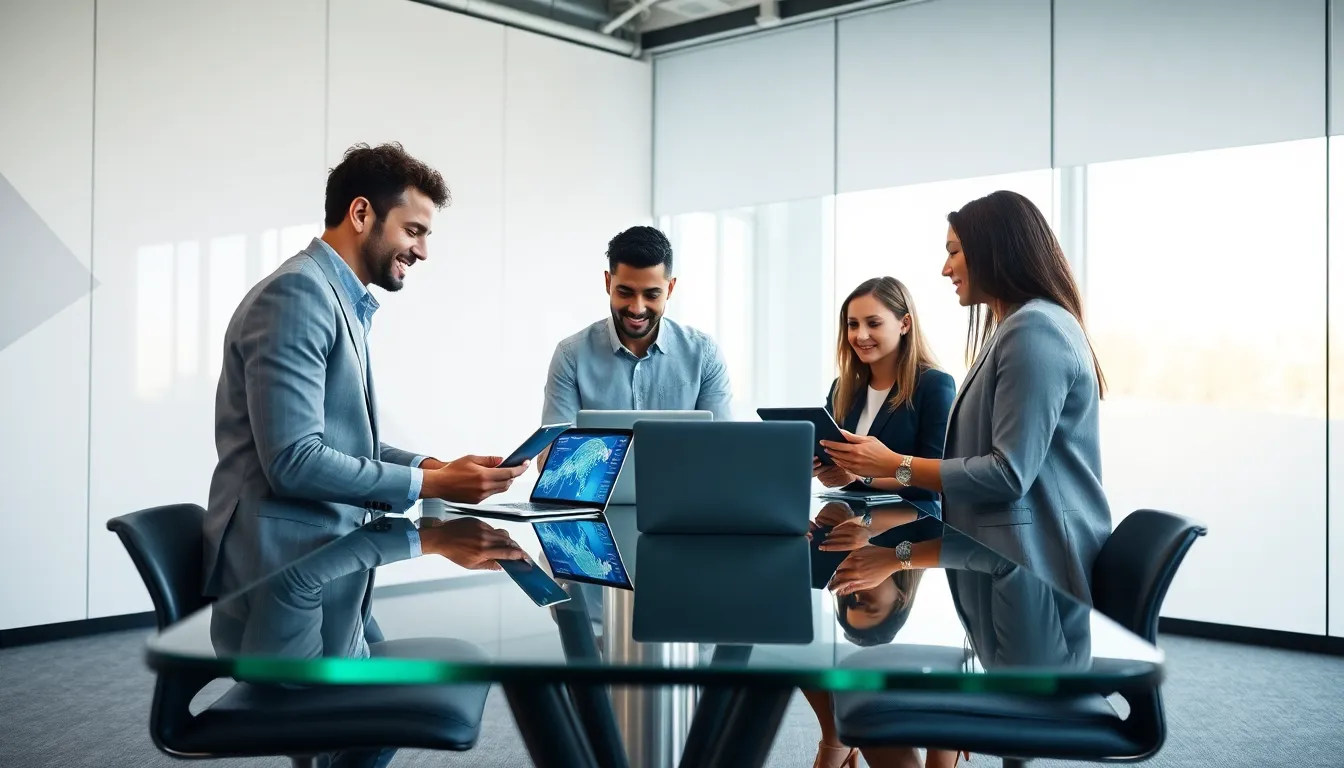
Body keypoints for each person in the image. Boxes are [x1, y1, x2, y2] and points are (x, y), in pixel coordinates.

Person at [203, 142, 528, 768]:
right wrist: (432, 488)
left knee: (407, 696)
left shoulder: (335, 297)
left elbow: (344, 442)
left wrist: (434, 469)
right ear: (360, 214)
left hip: (320, 564)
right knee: (395, 705)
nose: (423, 251)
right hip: (284, 583)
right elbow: (295, 460)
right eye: (414, 230)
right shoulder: (297, 296)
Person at [821, 189, 1113, 768]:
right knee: (863, 687)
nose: (945, 267)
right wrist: (899, 553)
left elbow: (1007, 473)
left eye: (954, 251)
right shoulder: (1016, 329)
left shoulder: (1035, 331)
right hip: (1001, 562)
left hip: (1033, 581)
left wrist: (894, 465)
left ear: (993, 249)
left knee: (865, 696)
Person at [541, 225, 734, 430]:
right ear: (608, 282)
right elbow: (556, 446)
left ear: (670, 289)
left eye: (652, 295)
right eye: (625, 292)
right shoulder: (571, 356)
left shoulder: (704, 355)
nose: (637, 308)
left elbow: (725, 443)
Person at [814, 277, 955, 504]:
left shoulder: (934, 385)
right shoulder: (842, 389)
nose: (861, 335)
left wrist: (860, 476)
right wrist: (813, 463)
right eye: (853, 324)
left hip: (914, 521)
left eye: (873, 323)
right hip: (848, 519)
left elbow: (936, 477)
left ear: (905, 324)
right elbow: (830, 457)